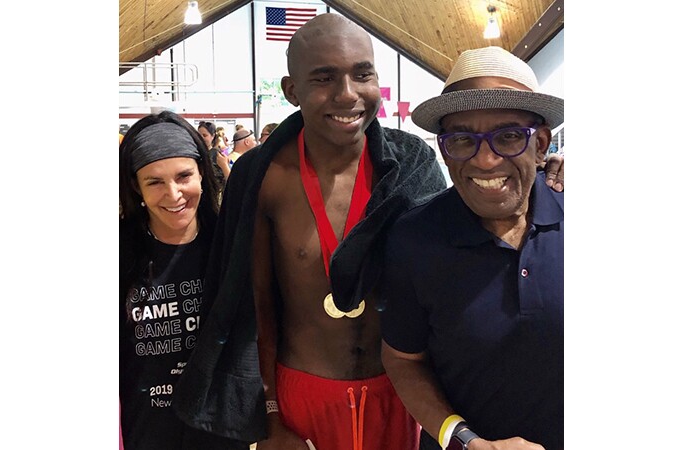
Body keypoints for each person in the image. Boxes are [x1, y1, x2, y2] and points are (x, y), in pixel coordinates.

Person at [171, 14, 565, 450]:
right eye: (324, 78)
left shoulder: (411, 161)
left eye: (363, 74)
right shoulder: (265, 176)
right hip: (304, 393)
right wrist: (271, 416)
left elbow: (471, 211)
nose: (347, 95)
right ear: (291, 91)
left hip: (401, 395)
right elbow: (253, 303)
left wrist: (545, 172)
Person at [379, 46, 564, 450]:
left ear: (541, 144)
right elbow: (403, 360)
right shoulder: (415, 239)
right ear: (444, 150)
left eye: (510, 136)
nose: (484, 159)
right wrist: (465, 440)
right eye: (463, 139)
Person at [119, 111, 247, 450]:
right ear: (136, 187)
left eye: (183, 176)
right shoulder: (119, 255)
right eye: (155, 182)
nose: (174, 194)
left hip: (222, 434)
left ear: (203, 173)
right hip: (147, 434)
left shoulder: (231, 247)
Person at [198, 120, 231, 191]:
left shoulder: (216, 154)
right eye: (199, 135)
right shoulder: (196, 153)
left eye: (205, 135)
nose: (201, 138)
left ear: (212, 136)